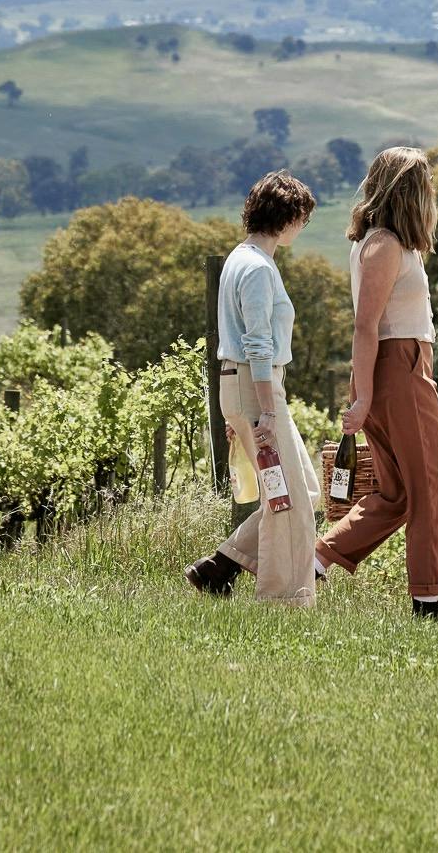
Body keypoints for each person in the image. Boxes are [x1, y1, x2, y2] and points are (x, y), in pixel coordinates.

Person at [315, 147, 438, 619]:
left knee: (397, 493)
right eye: (425, 182)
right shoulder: (384, 245)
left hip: (404, 366)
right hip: (399, 369)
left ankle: (316, 559)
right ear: (405, 190)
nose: (431, 189)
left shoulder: (392, 243)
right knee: (434, 488)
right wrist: (364, 395)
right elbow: (365, 325)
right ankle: (427, 602)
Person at [184, 171, 321, 604]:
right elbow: (258, 345)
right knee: (289, 500)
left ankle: (219, 568)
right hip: (257, 385)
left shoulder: (239, 258)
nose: (303, 227)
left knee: (302, 490)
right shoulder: (258, 269)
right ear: (288, 216)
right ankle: (282, 598)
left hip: (243, 386)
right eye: (303, 218)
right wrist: (266, 415)